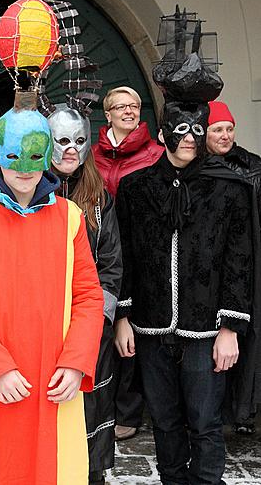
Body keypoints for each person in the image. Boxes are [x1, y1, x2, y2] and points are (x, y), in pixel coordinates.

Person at [0, 93, 104, 484]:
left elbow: (89, 297)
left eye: (33, 158)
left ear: (46, 156)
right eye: (14, 157)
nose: (24, 170)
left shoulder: (71, 218)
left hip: (54, 378)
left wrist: (75, 362)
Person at [115, 26, 252, 482]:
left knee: (205, 424)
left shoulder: (226, 189)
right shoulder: (137, 189)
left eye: (198, 128)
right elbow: (127, 257)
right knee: (166, 424)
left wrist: (230, 327)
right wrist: (122, 318)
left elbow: (238, 261)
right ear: (163, 130)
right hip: (151, 325)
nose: (191, 138)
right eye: (182, 129)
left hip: (206, 328)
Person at [48, 104, 122, 484]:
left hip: (89, 326)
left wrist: (100, 322)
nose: (72, 150)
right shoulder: (32, 193)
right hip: (44, 324)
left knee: (90, 412)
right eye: (62, 140)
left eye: (79, 141)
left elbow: (111, 267)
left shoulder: (99, 198)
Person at [91, 85, 161, 440]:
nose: (129, 112)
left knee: (133, 331)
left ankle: (129, 409)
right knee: (105, 329)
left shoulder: (155, 153)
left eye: (134, 106)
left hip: (140, 251)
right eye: (120, 106)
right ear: (108, 114)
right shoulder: (92, 155)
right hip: (102, 250)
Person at [205, 100, 261, 435]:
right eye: (217, 129)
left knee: (247, 339)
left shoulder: (253, 167)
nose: (225, 135)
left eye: (229, 128)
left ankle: (243, 412)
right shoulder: (196, 167)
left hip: (248, 262)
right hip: (210, 267)